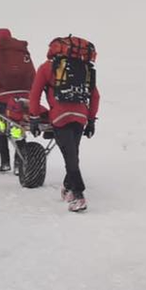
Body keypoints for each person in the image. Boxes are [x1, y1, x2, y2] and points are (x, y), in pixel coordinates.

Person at [28, 36, 100, 212]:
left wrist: (34, 117)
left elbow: (34, 94)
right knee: (73, 153)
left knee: (70, 156)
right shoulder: (85, 69)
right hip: (80, 116)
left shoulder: (47, 68)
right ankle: (68, 187)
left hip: (60, 116)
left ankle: (78, 194)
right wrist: (90, 120)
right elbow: (95, 96)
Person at [0, 28, 35, 172]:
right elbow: (33, 74)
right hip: (24, 97)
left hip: (4, 98)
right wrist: (33, 96)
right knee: (18, 127)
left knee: (1, 127)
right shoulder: (22, 53)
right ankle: (20, 162)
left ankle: (5, 162)